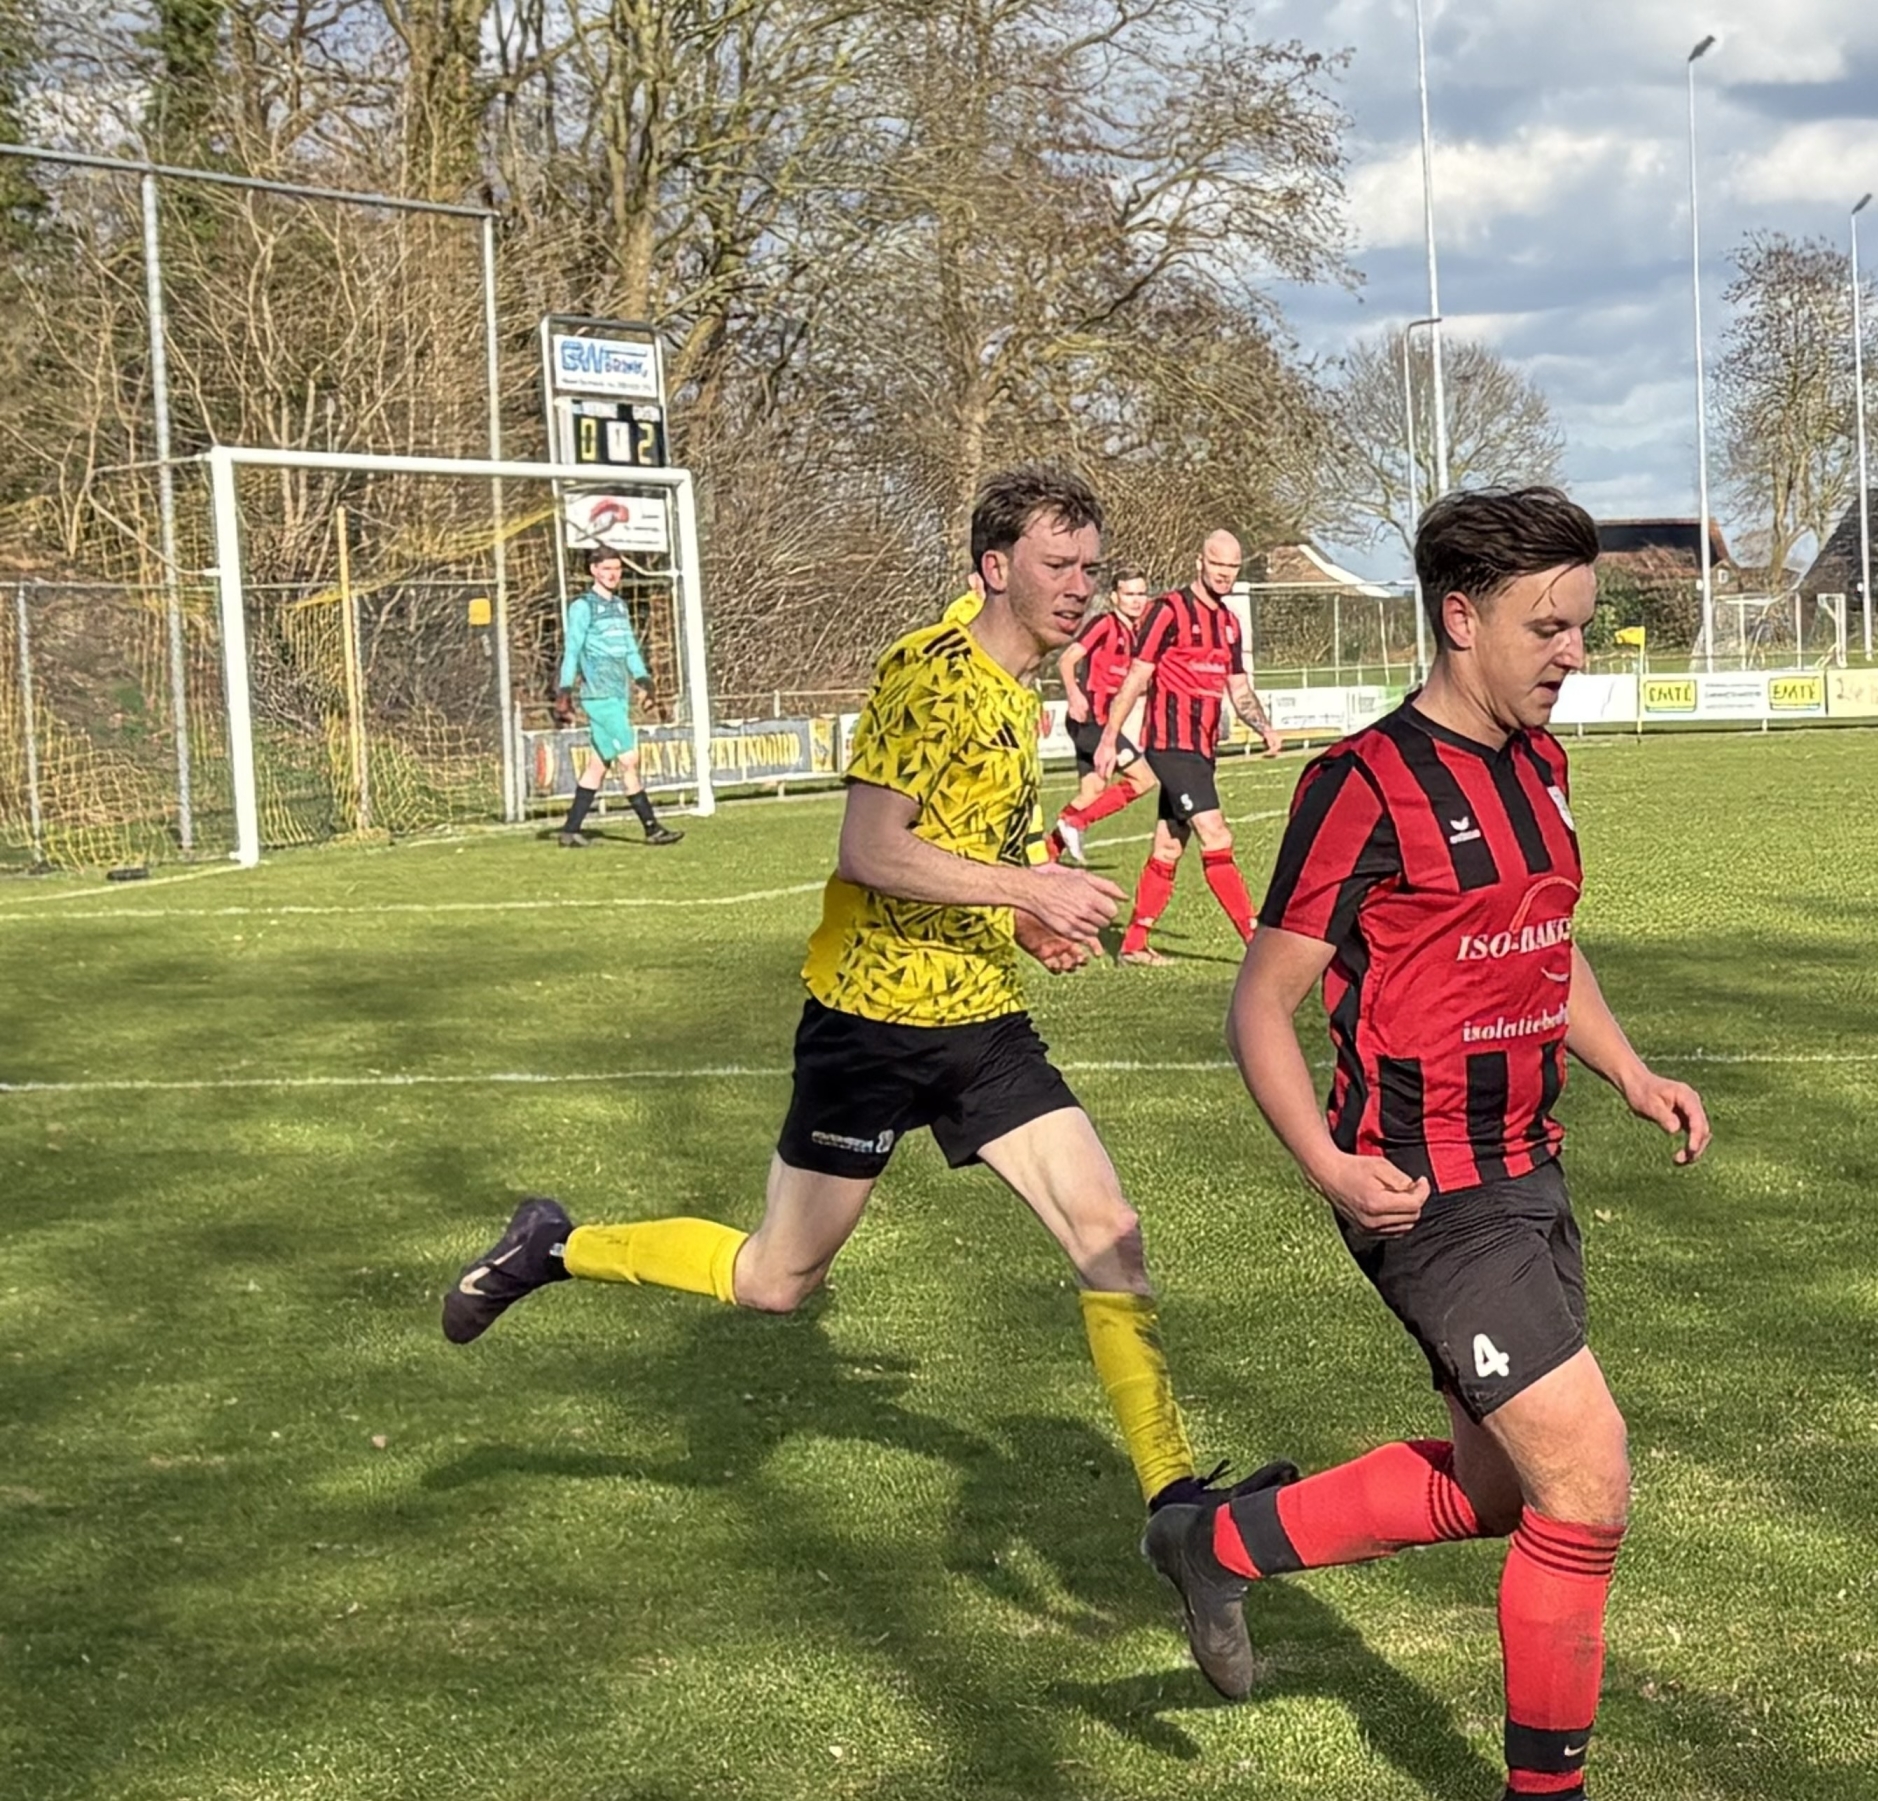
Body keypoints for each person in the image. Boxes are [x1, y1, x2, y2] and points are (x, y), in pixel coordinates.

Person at [443, 465, 1268, 1538]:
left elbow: (959, 847)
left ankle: (1175, 1503)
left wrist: (1024, 921)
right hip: (870, 1027)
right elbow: (871, 849)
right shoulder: (930, 674)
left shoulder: (1014, 699)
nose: (1078, 587)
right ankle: (553, 1245)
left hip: (978, 1021)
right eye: (1056, 566)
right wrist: (1031, 884)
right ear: (994, 567)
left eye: (1090, 568)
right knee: (776, 1280)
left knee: (1109, 1229)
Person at [1156, 485, 1711, 1801]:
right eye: (1551, 625)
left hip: (1532, 1170)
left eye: (1581, 622)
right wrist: (1331, 1163)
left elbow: (1543, 937)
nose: (1574, 650)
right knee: (1587, 1478)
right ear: (1460, 617)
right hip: (1428, 1196)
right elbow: (1260, 1005)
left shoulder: (1538, 766)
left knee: (1500, 1488)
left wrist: (1630, 1070)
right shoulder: (1362, 784)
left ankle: (1214, 1540)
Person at [1094, 529, 1285, 962]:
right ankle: (1254, 941)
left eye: (1232, 567)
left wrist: (1265, 728)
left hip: (1201, 750)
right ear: (1200, 563)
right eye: (1217, 565)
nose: (1224, 574)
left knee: (1168, 844)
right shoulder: (1168, 612)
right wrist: (1110, 738)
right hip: (1170, 745)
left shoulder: (1230, 624)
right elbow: (1137, 677)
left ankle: (1135, 943)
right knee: (1216, 834)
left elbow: (1238, 688)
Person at [549, 548, 680, 847]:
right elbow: (572, 650)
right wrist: (565, 691)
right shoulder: (583, 607)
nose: (613, 574)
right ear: (593, 570)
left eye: (618, 569)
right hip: (599, 696)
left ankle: (570, 830)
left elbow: (630, 649)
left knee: (598, 764)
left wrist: (645, 680)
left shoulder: (620, 606)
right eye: (607, 568)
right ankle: (652, 828)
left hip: (619, 694)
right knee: (629, 758)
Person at [1046, 567, 1157, 867]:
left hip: (1102, 723)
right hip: (1090, 721)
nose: (1136, 600)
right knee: (1144, 780)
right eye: (1129, 594)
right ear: (1114, 597)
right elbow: (1067, 660)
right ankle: (1077, 824)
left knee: (1091, 792)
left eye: (1141, 594)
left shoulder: (1138, 634)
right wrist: (1073, 693)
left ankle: (1045, 857)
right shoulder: (1104, 624)